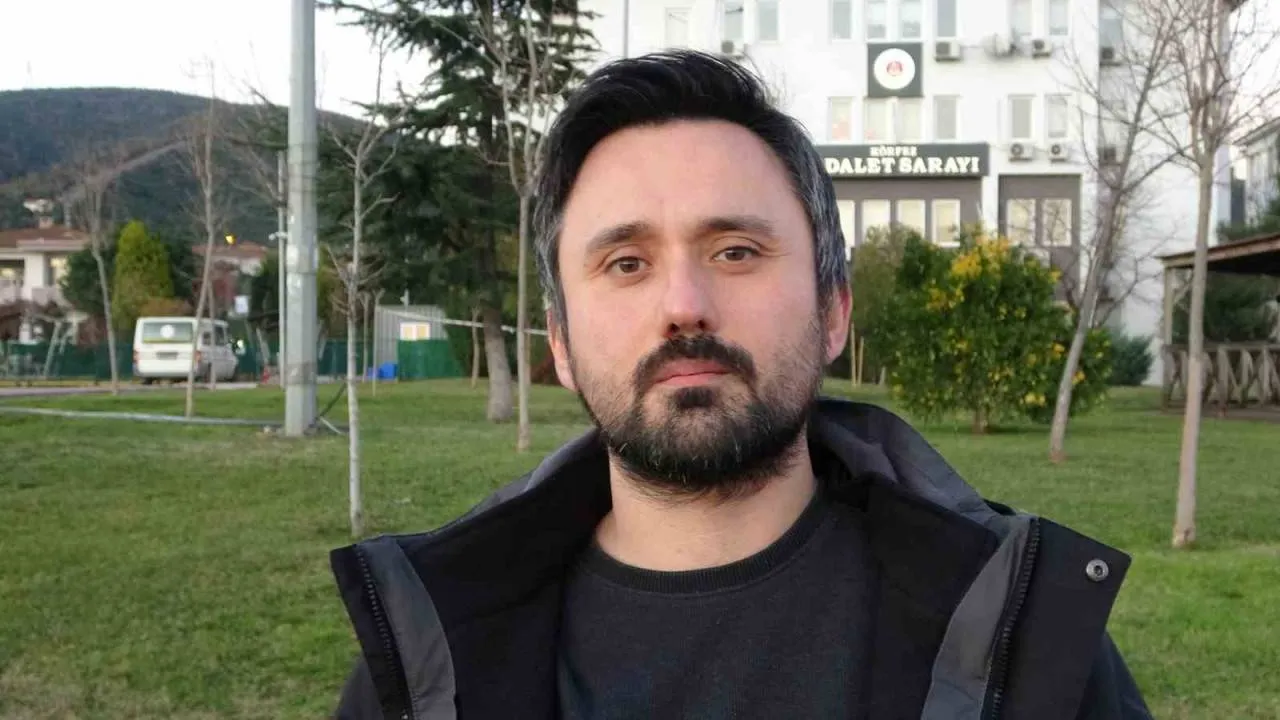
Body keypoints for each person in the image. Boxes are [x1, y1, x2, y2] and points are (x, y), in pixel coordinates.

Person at [330, 50, 1151, 720]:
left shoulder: (1023, 641)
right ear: (563, 343)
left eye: (735, 252)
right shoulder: (430, 654)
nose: (683, 305)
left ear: (833, 312)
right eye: (626, 263)